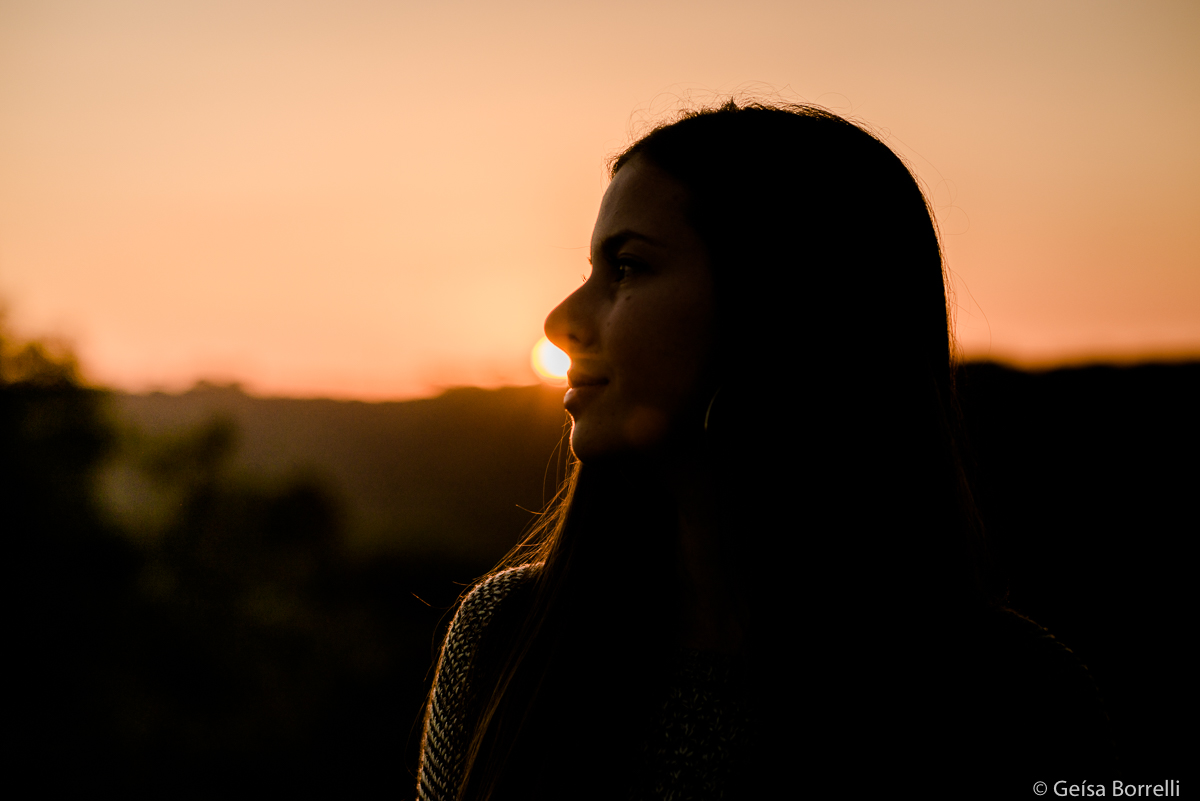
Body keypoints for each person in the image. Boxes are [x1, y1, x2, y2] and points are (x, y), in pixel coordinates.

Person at [416, 101, 1112, 800]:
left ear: (779, 302)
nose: (561, 319)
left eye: (626, 266)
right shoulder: (509, 636)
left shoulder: (1012, 697)